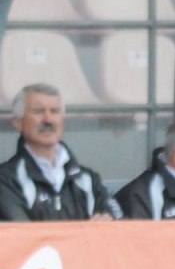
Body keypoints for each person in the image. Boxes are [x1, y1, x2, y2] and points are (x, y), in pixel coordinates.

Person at [0, 83, 118, 221]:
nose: (48, 119)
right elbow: (23, 232)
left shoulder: (88, 179)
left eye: (55, 111)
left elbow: (116, 223)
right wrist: (88, 229)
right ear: (18, 122)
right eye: (38, 111)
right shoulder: (6, 180)